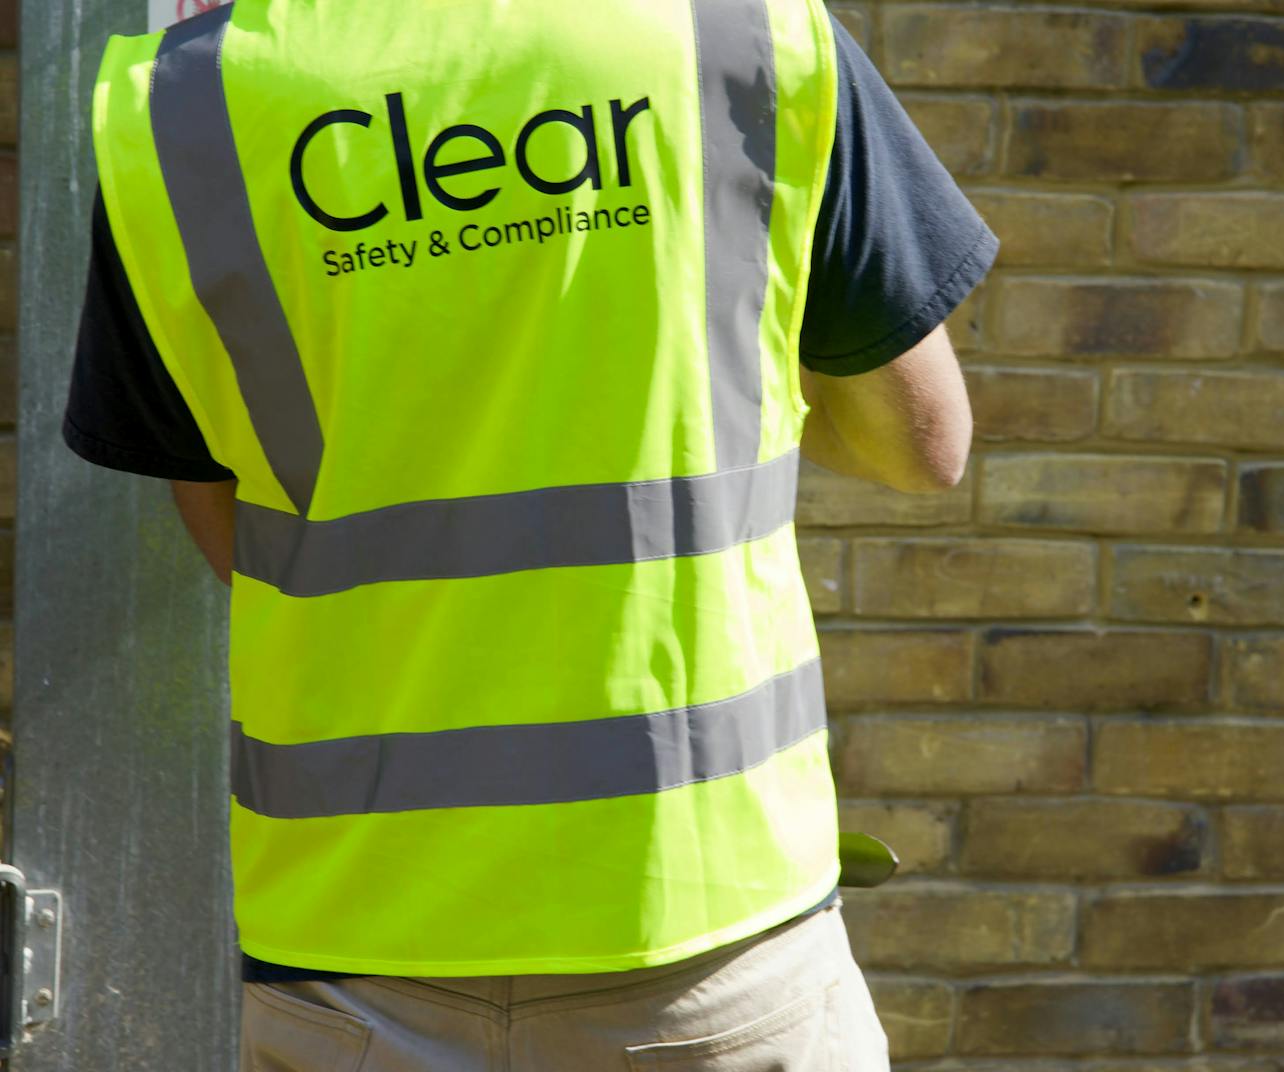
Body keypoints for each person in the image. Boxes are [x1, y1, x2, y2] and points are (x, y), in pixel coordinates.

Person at [64, 0, 996, 1067]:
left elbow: (222, 506)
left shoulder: (188, 104)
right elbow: (923, 443)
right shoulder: (741, 33)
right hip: (704, 924)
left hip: (356, 939)